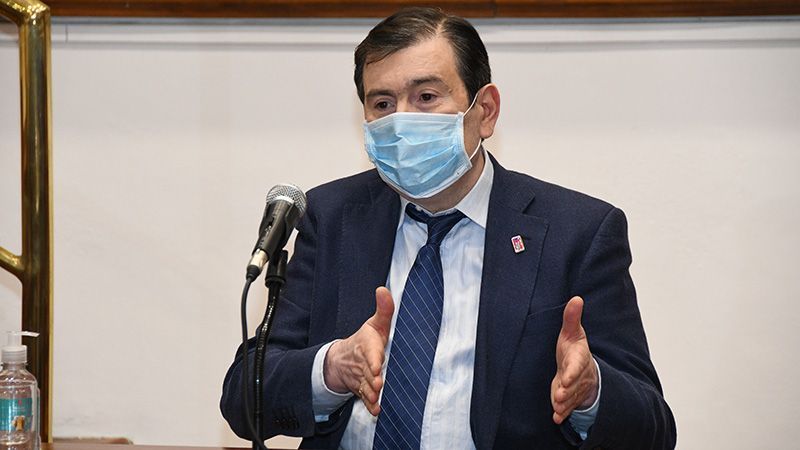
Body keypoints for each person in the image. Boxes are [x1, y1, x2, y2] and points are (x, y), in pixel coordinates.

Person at [221, 7, 676, 449]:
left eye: (426, 97)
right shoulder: (332, 216)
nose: (402, 121)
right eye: (382, 104)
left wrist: (591, 392)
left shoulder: (577, 232)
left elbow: (653, 430)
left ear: (486, 111)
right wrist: (331, 368)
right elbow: (243, 399)